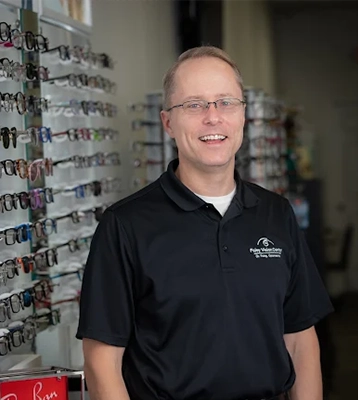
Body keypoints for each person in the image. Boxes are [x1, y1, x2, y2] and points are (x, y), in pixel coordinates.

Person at [76, 46, 334, 400]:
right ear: (168, 122)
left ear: (243, 115)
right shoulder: (125, 226)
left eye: (226, 102)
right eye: (194, 105)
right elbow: (101, 362)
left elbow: (300, 341)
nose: (213, 118)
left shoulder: (276, 214)